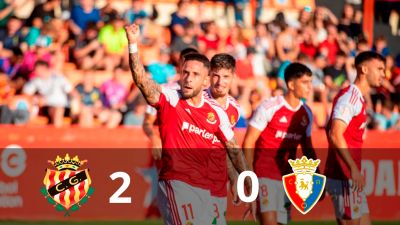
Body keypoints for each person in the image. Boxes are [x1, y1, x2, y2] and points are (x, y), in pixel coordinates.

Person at [125, 24, 256, 225]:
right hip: (176, 184)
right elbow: (142, 81)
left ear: (205, 81)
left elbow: (233, 151)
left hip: (208, 189)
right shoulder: (170, 98)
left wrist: (249, 186)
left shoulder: (217, 113)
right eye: (185, 73)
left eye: (195, 75)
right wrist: (133, 45)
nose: (188, 78)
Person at [242, 63, 317, 225]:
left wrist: (316, 177)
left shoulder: (307, 113)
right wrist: (249, 177)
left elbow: (308, 148)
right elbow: (248, 141)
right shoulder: (269, 107)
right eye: (305, 82)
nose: (310, 87)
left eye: (310, 82)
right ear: (291, 84)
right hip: (264, 175)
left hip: (288, 178)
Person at [325, 51, 386, 225]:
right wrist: (352, 168)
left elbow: (329, 129)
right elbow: (335, 134)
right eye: (379, 69)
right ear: (364, 69)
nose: (383, 74)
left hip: (349, 176)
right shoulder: (350, 98)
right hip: (344, 176)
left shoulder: (355, 97)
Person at [206, 53, 242, 225]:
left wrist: (233, 180)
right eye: (216, 76)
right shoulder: (196, 100)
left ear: (233, 78)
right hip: (191, 177)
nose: (220, 82)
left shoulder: (235, 109)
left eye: (226, 76)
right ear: (209, 75)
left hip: (218, 180)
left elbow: (228, 148)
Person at [23, 60, 73, 127]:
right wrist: (36, 98)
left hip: (64, 106)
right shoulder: (36, 80)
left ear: (43, 68)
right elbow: (25, 93)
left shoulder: (58, 77)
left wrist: (76, 102)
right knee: (58, 110)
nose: (34, 71)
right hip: (48, 107)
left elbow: (71, 91)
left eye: (36, 69)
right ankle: (58, 133)